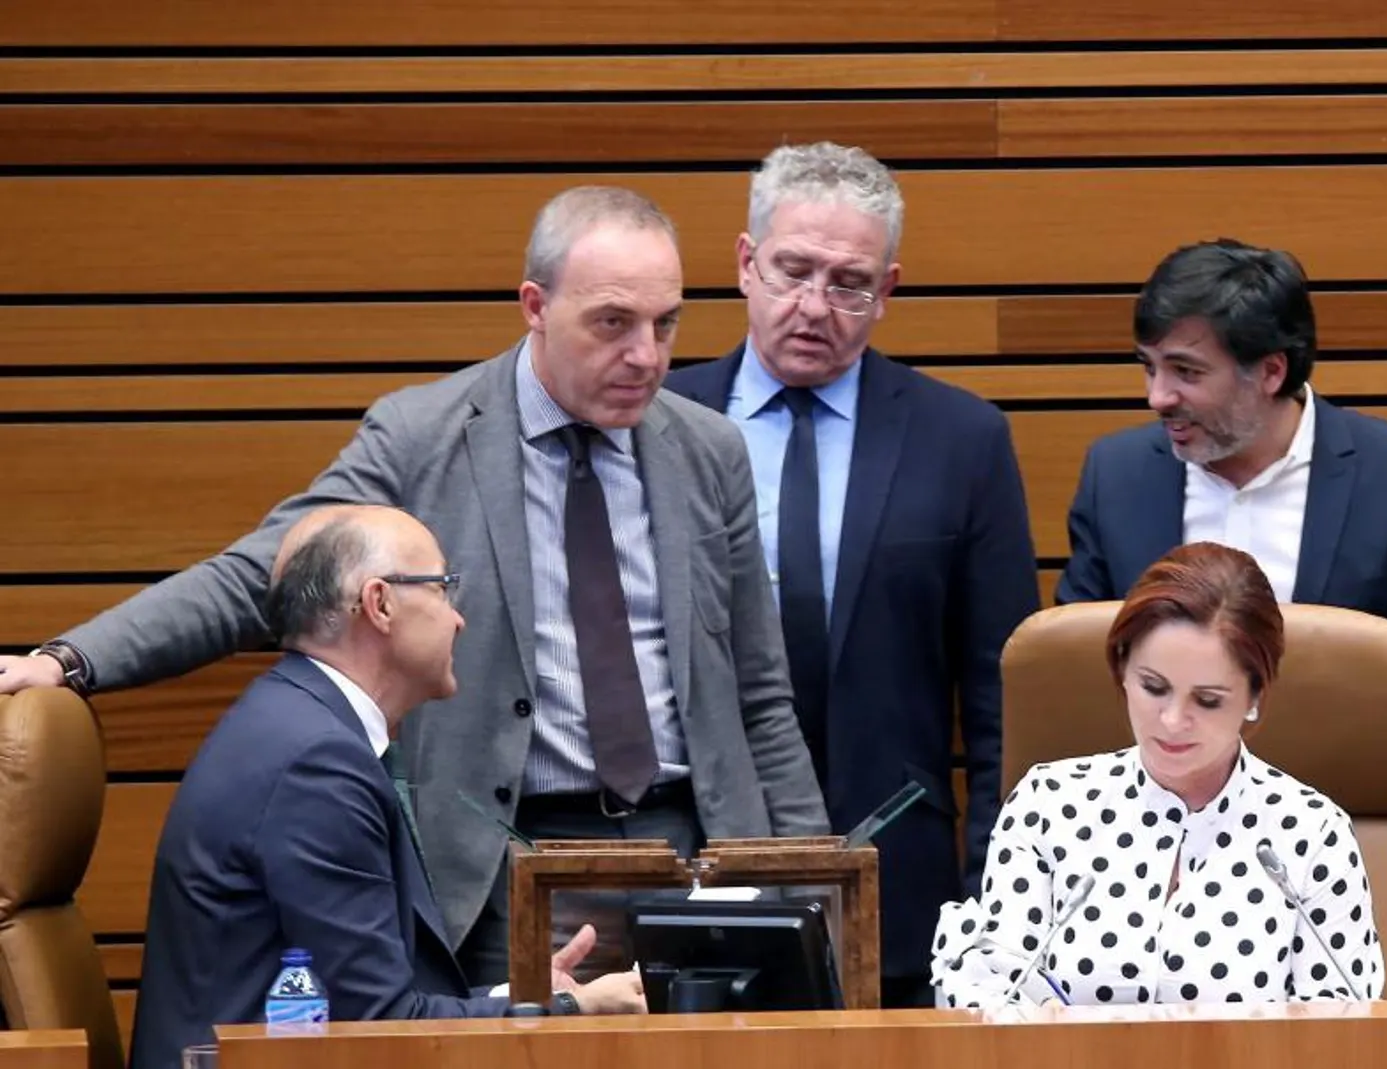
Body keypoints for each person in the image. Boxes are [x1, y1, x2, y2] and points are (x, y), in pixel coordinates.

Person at [0, 185, 829, 986]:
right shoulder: (422, 435)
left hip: (695, 853)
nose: (647, 355)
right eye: (612, 323)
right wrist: (71, 660)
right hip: (504, 857)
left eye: (665, 322)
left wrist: (815, 887)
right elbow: (267, 570)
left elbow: (759, 694)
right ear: (535, 306)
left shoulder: (707, 450)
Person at [666, 142, 1041, 1007]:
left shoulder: (963, 440)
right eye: (793, 270)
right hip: (692, 871)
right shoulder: (661, 421)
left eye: (849, 284)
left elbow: (999, 700)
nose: (814, 306)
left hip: (901, 886)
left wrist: (999, 893)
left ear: (889, 290)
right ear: (744, 264)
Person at [129, 506, 648, 1069]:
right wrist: (573, 1008)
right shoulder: (316, 764)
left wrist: (520, 1000)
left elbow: (365, 1011)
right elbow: (380, 1028)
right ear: (380, 604)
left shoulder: (302, 724)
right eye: (444, 587)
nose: (459, 620)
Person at [1055, 239, 1387, 737]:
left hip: (1341, 800)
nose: (1157, 396)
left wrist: (1313, 719)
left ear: (1271, 371)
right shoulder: (1116, 474)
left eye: (1186, 371)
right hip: (1152, 807)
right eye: (1149, 366)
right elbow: (1074, 665)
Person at [930, 542, 1383, 1008]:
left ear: (1255, 696)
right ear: (1122, 666)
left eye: (1207, 700)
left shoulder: (1311, 831)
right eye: (1154, 687)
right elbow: (992, 995)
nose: (1171, 721)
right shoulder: (1047, 805)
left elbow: (1342, 1027)